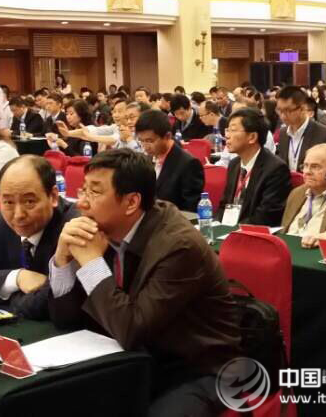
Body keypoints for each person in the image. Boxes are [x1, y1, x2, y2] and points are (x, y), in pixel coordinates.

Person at [47, 149, 242, 414]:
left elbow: (132, 329)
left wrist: (92, 264)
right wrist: (62, 260)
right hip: (137, 358)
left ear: (131, 202)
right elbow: (65, 319)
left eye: (94, 192)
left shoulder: (179, 246)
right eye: (83, 190)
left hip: (199, 369)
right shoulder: (102, 228)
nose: (81, 203)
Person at [0, 156, 77, 319]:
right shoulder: (1, 222)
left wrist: (9, 298)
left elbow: (49, 305)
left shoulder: (71, 227)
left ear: (53, 196)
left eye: (29, 201)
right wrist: (17, 278)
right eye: (8, 202)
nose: (18, 215)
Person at [215, 108, 291, 226]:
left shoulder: (276, 169)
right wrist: (217, 226)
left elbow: (266, 216)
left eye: (233, 130)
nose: (227, 136)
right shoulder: (234, 164)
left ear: (252, 137)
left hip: (253, 232)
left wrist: (234, 230)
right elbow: (224, 205)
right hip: (229, 229)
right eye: (227, 130)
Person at [135, 109, 204, 212]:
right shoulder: (147, 159)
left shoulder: (188, 164)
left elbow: (190, 210)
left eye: (150, 141)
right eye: (141, 141)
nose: (145, 146)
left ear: (167, 136)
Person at [274, 86, 326, 172]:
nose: (283, 116)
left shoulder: (324, 134)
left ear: (302, 109)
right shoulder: (283, 133)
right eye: (279, 110)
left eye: (288, 111)